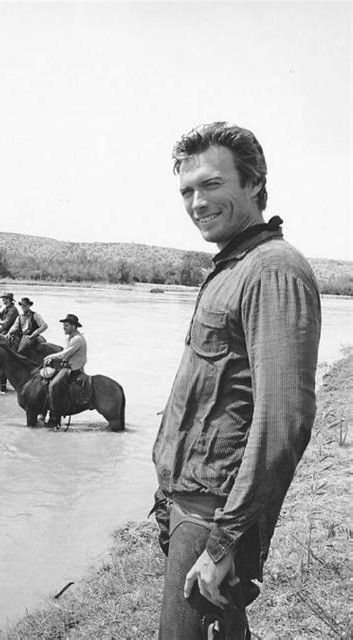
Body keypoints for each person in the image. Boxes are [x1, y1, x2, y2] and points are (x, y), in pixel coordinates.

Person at [152, 122, 321, 639]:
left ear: (252, 182)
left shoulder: (273, 270)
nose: (197, 202)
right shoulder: (233, 265)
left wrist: (225, 544)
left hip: (213, 516)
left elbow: (282, 423)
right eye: (187, 190)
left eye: (212, 184)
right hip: (189, 507)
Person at [44, 314, 87, 427]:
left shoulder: (77, 339)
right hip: (67, 364)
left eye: (66, 325)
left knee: (53, 385)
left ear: (73, 326)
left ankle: (55, 416)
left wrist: (50, 357)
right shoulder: (70, 337)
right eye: (64, 325)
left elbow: (65, 354)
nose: (64, 327)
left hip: (73, 368)